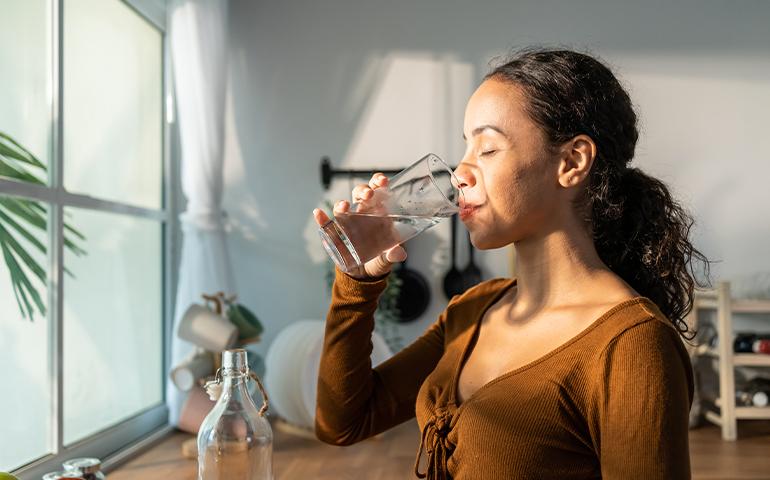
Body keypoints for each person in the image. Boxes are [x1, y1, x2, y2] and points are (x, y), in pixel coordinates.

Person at [311, 48, 709, 479]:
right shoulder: (473, 310)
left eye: (488, 148)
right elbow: (343, 422)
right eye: (466, 146)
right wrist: (356, 282)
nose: (459, 172)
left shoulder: (631, 345)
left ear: (572, 162)